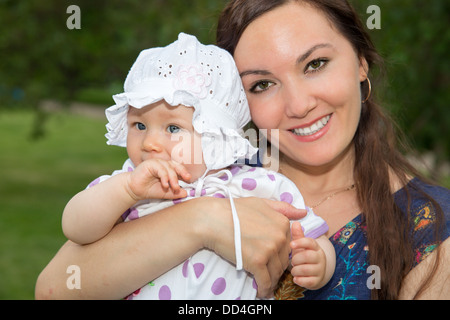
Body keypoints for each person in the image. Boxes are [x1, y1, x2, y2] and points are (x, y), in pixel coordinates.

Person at [36, 0, 449, 300]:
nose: (299, 104)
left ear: (361, 63)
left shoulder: (429, 228)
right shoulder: (208, 171)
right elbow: (56, 289)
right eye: (262, 84)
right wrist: (205, 219)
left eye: (315, 64)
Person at [60, 32, 335, 300]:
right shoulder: (128, 186)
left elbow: (310, 233)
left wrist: (317, 262)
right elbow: (76, 227)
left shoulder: (259, 185)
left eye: (172, 127)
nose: (150, 143)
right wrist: (128, 191)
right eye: (140, 125)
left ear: (217, 136)